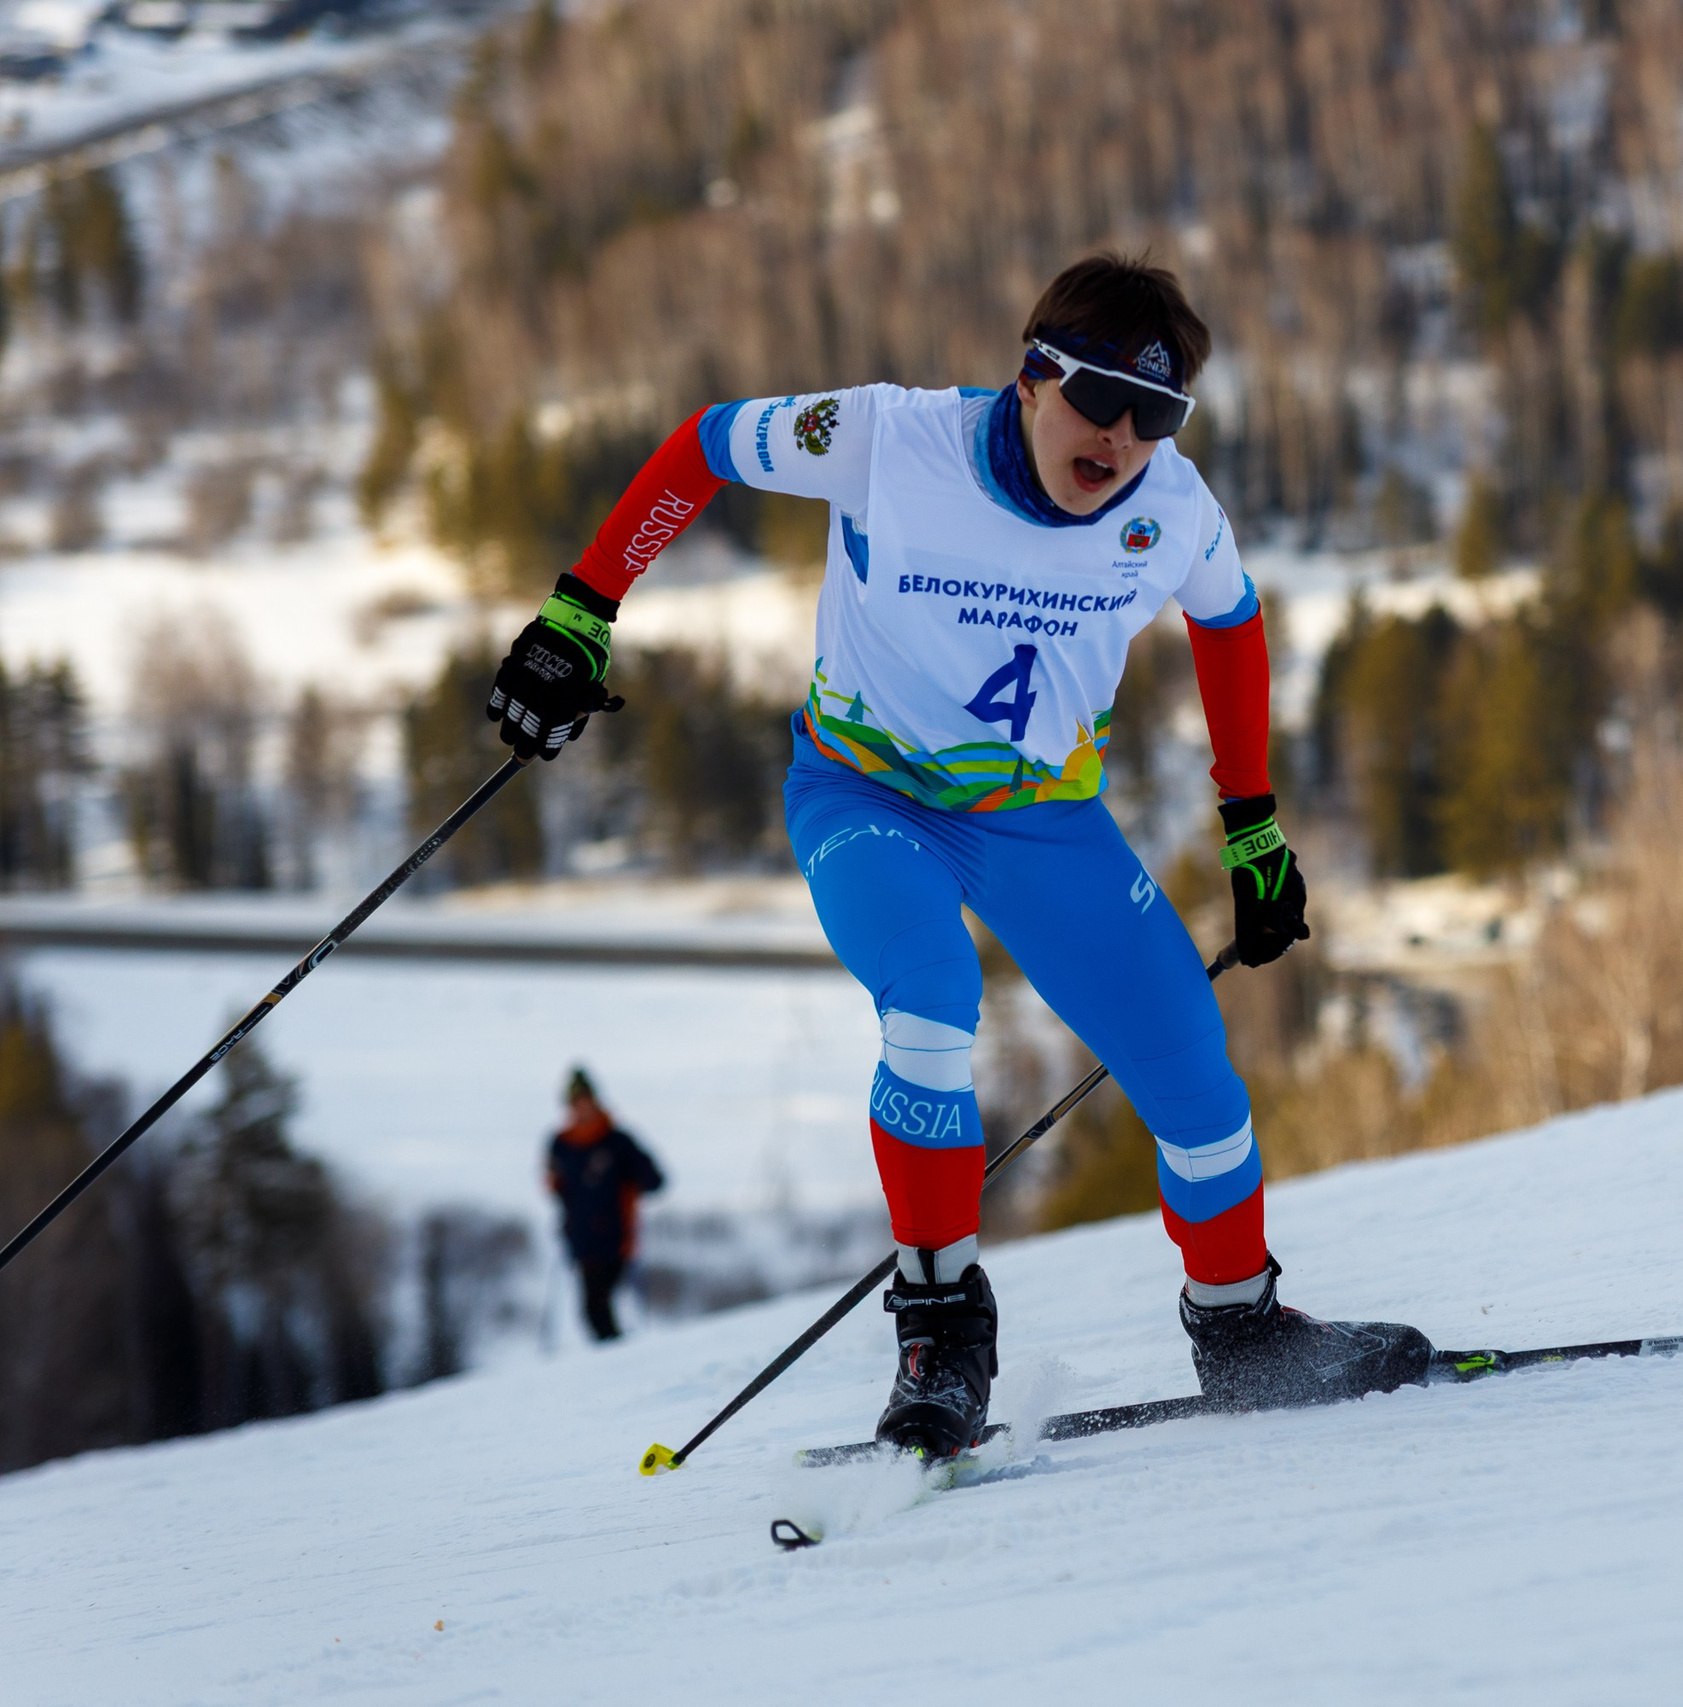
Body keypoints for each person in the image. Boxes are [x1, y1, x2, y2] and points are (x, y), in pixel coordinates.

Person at [485, 252, 1430, 1455]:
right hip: (866, 794)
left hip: (1043, 819)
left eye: (1158, 414)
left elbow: (1231, 623)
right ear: (1033, 376)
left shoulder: (1172, 508)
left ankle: (1240, 1325)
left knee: (1198, 1082)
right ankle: (940, 1339)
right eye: (1100, 399)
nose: (1122, 438)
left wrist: (1251, 821)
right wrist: (581, 611)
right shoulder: (886, 440)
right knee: (930, 1004)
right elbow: (704, 446)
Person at [545, 1068, 666, 1342]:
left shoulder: (617, 1141)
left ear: (594, 1101)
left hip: (616, 1238)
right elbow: (558, 1188)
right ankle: (618, 1355)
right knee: (594, 1309)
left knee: (596, 1306)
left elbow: (655, 1179)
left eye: (584, 1100)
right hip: (580, 1239)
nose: (581, 1108)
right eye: (575, 1102)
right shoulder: (561, 1143)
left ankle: (621, 1357)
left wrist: (635, 1178)